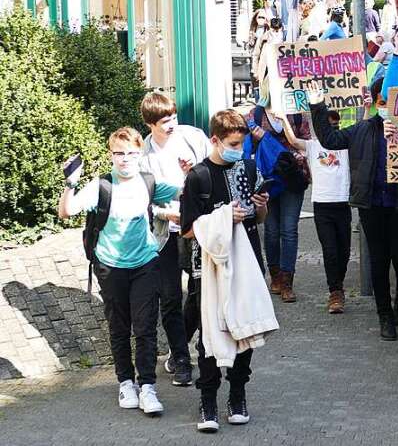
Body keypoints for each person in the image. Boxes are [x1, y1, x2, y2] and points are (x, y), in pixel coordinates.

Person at [58, 128, 180, 416]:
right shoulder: (101, 186)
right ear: (111, 154)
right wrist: (69, 183)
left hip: (145, 263)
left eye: (131, 153)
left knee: (146, 326)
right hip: (110, 265)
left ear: (140, 154)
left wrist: (189, 173)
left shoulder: (149, 182)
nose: (125, 159)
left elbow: (184, 190)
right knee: (119, 328)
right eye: (119, 153)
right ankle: (126, 382)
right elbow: (66, 211)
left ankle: (147, 386)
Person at [180, 110, 270, 432]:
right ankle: (207, 400)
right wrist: (221, 218)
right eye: (233, 144)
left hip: (247, 262)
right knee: (210, 334)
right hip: (208, 268)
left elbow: (258, 219)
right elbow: (188, 229)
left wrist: (260, 206)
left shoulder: (247, 168)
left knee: (244, 328)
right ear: (215, 140)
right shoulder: (198, 176)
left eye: (242, 144)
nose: (239, 150)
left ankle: (238, 393)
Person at [308, 77, 398, 340]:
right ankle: (384, 316)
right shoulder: (362, 129)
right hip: (372, 206)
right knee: (378, 261)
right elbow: (330, 139)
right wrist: (317, 105)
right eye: (383, 100)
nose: (388, 105)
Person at [139, 92, 211, 387]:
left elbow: (212, 173)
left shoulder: (192, 137)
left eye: (174, 118)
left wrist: (193, 171)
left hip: (195, 228)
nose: (171, 125)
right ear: (150, 124)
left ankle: (184, 347)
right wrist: (163, 213)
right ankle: (182, 358)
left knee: (198, 291)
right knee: (169, 296)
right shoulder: (143, 153)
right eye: (164, 122)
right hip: (163, 233)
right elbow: (141, 198)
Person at [274, 108, 352, 314]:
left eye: (336, 124)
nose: (333, 128)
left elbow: (362, 128)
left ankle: (339, 284)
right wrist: (283, 118)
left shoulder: (345, 145)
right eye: (329, 124)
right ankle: (335, 291)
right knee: (330, 250)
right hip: (322, 205)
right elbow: (292, 139)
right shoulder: (312, 145)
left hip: (343, 203)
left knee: (344, 251)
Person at [247, 107, 309, 303]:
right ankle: (275, 275)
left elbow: (306, 141)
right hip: (267, 178)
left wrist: (299, 154)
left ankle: (287, 281)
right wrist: (257, 138)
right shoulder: (255, 114)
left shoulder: (297, 112)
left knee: (289, 230)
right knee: (271, 230)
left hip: (292, 177)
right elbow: (246, 144)